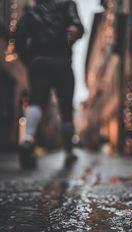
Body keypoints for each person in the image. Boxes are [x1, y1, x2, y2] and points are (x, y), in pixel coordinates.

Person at [14, 0, 84, 169]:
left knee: (36, 102)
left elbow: (18, 38)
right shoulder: (68, 4)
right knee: (66, 108)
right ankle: (68, 151)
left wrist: (29, 60)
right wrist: (75, 30)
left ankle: (28, 139)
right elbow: (77, 25)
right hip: (62, 61)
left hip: (39, 61)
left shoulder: (31, 11)